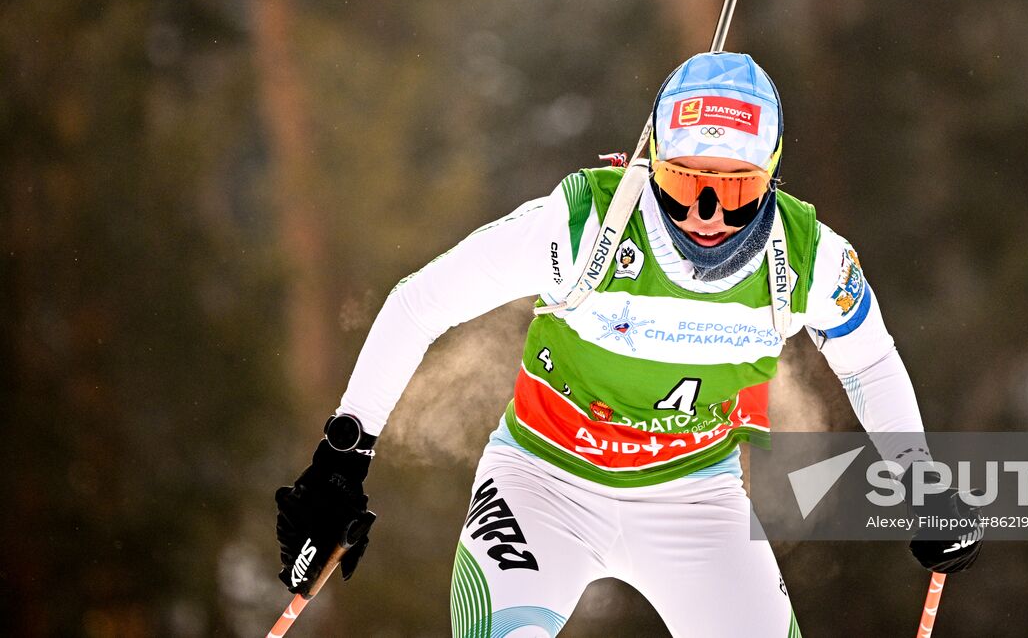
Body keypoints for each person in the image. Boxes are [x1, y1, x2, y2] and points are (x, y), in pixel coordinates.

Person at [274, 52, 982, 637]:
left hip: (694, 499)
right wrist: (342, 458)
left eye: (736, 190)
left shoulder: (808, 259)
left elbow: (868, 359)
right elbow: (420, 302)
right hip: (543, 483)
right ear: (651, 161)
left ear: (772, 175)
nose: (707, 215)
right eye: (684, 182)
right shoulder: (584, 225)